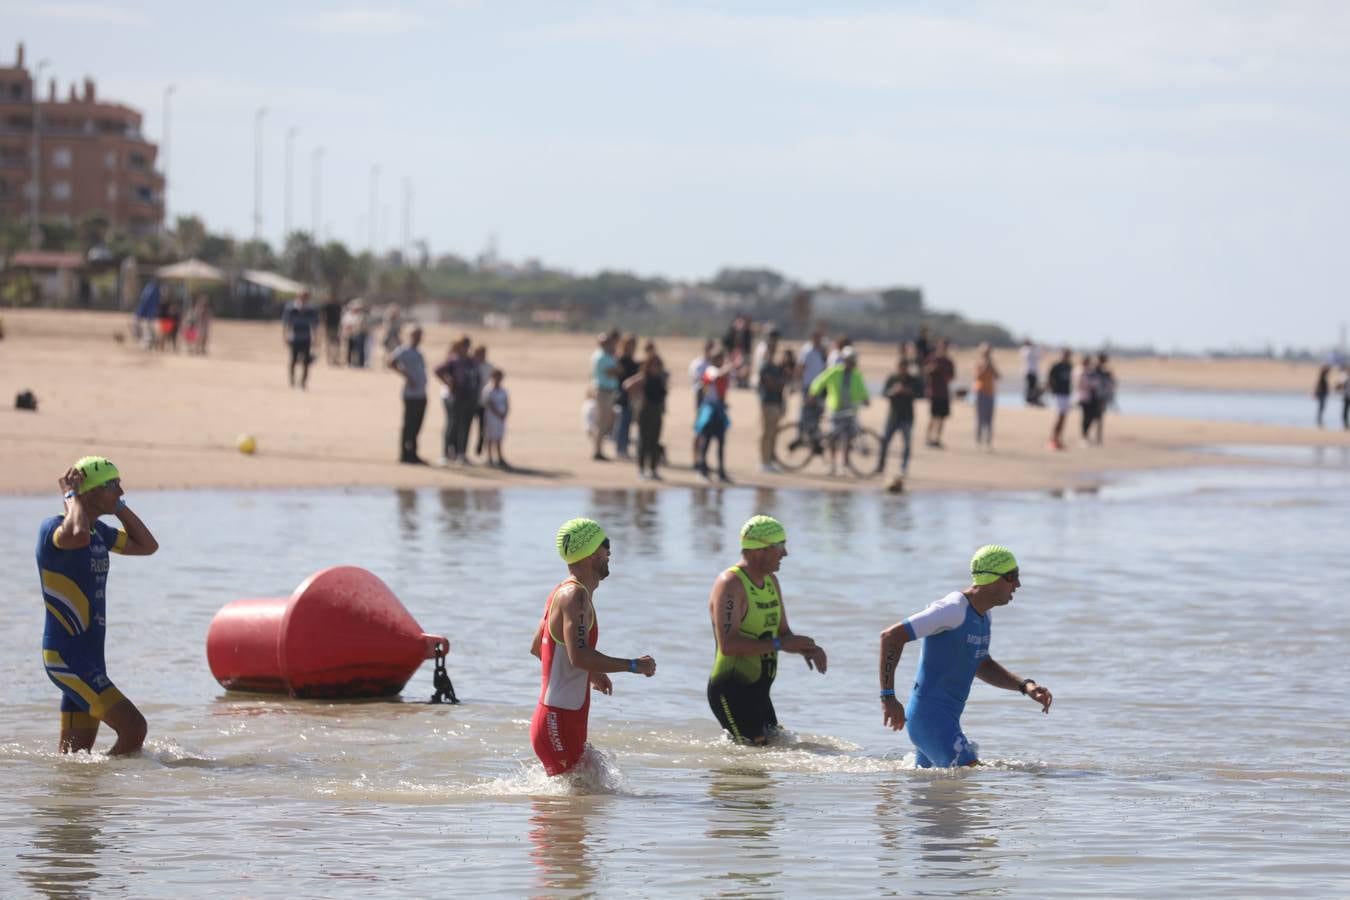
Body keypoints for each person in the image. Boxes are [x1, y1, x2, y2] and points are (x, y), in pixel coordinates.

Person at [878, 545, 1053, 768]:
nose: (1017, 585)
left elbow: (981, 663)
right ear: (992, 579)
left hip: (944, 721)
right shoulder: (952, 609)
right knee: (973, 781)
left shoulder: (983, 616)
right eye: (1012, 576)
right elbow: (890, 636)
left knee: (935, 798)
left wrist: (1025, 685)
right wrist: (888, 697)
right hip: (930, 720)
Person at [36, 456, 159, 755]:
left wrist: (118, 508)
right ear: (88, 493)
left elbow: (147, 546)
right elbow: (76, 534)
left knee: (74, 758)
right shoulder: (55, 532)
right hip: (67, 658)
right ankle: (118, 786)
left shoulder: (98, 533)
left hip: (90, 659)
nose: (121, 490)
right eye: (112, 485)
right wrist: (70, 496)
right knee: (134, 728)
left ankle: (83, 799)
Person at [529, 519, 656, 777]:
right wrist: (634, 665)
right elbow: (578, 656)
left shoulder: (564, 592)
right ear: (590, 552)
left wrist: (591, 672)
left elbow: (537, 648)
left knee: (576, 809)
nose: (609, 552)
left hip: (561, 719)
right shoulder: (573, 596)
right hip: (559, 721)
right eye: (604, 545)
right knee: (569, 811)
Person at [706, 516, 827, 745]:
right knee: (752, 762)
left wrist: (807, 648)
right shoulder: (730, 584)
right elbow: (729, 646)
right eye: (780, 546)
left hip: (759, 692)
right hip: (731, 688)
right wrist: (781, 645)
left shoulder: (771, 581)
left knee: (774, 752)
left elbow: (782, 633)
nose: (785, 553)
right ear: (758, 550)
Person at [809, 346, 869, 475]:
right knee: (833, 436)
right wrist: (813, 393)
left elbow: (862, 390)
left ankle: (844, 465)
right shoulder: (835, 371)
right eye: (849, 360)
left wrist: (866, 399)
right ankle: (832, 464)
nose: (851, 363)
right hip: (836, 409)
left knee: (848, 438)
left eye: (853, 360)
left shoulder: (856, 375)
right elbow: (820, 381)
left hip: (850, 410)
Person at [877, 345, 924, 478]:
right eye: (900, 367)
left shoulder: (913, 380)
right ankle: (881, 466)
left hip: (907, 416)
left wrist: (909, 391)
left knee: (907, 444)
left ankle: (903, 467)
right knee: (885, 441)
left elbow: (921, 394)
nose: (902, 370)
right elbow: (884, 393)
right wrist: (893, 391)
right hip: (893, 415)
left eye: (904, 367)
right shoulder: (892, 378)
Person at [387, 326, 429, 465]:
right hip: (410, 394)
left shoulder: (419, 352)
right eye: (416, 335)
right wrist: (405, 375)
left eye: (419, 335)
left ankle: (413, 453)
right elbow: (391, 362)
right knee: (408, 424)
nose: (418, 338)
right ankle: (404, 454)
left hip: (421, 393)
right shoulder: (404, 350)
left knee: (417, 424)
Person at [623, 352, 668, 481]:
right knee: (644, 441)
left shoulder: (661, 378)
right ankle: (641, 469)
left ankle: (653, 469)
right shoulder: (644, 377)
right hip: (645, 411)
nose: (656, 367)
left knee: (655, 441)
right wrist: (637, 397)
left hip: (657, 411)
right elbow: (627, 385)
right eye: (653, 365)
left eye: (658, 365)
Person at [695, 348, 732, 483]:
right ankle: (702, 470)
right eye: (717, 358)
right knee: (707, 440)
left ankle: (721, 471)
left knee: (721, 442)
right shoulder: (710, 370)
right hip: (709, 409)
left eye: (721, 358)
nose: (719, 361)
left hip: (720, 409)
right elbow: (719, 374)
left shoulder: (724, 371)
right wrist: (729, 366)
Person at [796, 327, 829, 446]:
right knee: (805, 411)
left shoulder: (821, 351)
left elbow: (825, 367)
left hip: (819, 386)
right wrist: (798, 383)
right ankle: (799, 435)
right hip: (808, 385)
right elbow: (801, 367)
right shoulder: (807, 350)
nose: (818, 340)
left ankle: (813, 436)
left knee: (816, 412)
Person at [590, 333, 620, 461]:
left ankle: (599, 448)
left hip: (608, 391)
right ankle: (597, 451)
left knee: (605, 422)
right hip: (603, 392)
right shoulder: (601, 356)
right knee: (602, 423)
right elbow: (612, 372)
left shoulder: (607, 355)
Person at [757, 340, 786, 473]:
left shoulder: (774, 366)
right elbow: (770, 384)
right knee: (766, 433)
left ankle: (770, 460)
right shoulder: (764, 367)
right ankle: (764, 461)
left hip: (776, 403)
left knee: (773, 434)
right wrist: (778, 383)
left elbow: (780, 384)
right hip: (767, 403)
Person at [282, 290, 319, 389]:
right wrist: (284, 336)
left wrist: (316, 338)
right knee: (293, 360)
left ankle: (303, 381)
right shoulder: (291, 308)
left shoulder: (311, 309)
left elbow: (314, 325)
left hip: (306, 338)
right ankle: (292, 380)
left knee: (306, 361)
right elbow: (286, 323)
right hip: (294, 337)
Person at [923, 339, 955, 448]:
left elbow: (951, 377)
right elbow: (924, 371)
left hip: (944, 393)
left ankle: (937, 439)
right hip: (934, 392)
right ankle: (928, 438)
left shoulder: (948, 361)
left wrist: (945, 376)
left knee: (942, 418)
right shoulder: (932, 358)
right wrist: (932, 368)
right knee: (933, 416)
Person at [612, 335, 640, 460]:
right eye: (629, 345)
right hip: (622, 395)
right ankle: (620, 448)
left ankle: (624, 447)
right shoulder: (621, 360)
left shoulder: (633, 361)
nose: (632, 347)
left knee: (627, 422)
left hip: (632, 396)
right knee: (622, 422)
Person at [481, 368, 509, 468]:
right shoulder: (488, 389)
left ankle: (500, 457)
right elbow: (489, 403)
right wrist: (498, 413)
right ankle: (489, 458)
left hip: (501, 417)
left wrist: (505, 414)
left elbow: (507, 402)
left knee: (499, 438)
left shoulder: (504, 390)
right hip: (491, 416)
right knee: (490, 437)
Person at [973, 343, 1000, 448]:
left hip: (990, 393)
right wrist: (985, 367)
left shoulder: (992, 364)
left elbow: (998, 376)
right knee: (980, 418)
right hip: (981, 392)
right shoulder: (979, 363)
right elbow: (977, 376)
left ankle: (988, 441)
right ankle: (978, 440)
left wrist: (991, 367)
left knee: (989, 419)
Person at [1046, 348, 1074, 450]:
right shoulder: (1056, 366)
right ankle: (1053, 439)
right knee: (1059, 417)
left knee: (1064, 418)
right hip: (1058, 394)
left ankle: (1059, 439)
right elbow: (1049, 379)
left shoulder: (1069, 366)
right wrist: (1051, 390)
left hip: (1066, 394)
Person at [1091, 353, 1116, 445]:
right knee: (1093, 417)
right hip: (1094, 396)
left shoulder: (1106, 371)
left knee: (1100, 418)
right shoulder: (1095, 370)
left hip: (1102, 396)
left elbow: (1111, 383)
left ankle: (1098, 437)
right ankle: (1091, 436)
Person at [1076, 353, 1101, 446]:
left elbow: (1095, 383)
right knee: (1085, 417)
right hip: (1083, 397)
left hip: (1091, 397)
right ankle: (1083, 436)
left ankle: (1086, 435)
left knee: (1091, 416)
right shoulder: (1079, 371)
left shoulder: (1090, 372)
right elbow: (1082, 384)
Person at [321, 295, 342, 364]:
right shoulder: (328, 306)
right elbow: (323, 315)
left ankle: (335, 358)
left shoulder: (338, 307)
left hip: (336, 327)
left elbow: (340, 316)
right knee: (329, 343)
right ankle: (329, 359)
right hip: (328, 326)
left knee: (336, 344)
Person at [1020, 340, 1042, 405]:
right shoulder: (1025, 350)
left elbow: (1039, 357)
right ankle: (1028, 400)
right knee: (1029, 387)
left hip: (1034, 371)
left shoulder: (1032, 350)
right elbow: (1029, 355)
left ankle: (1032, 399)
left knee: (1033, 387)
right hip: (1028, 371)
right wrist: (1033, 348)